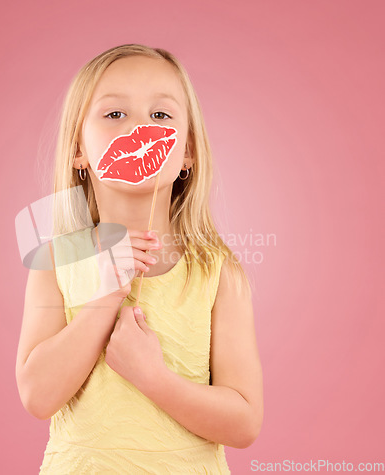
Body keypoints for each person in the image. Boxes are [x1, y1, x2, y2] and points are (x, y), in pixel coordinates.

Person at [15, 43, 263, 474]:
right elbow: (37, 396)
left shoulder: (217, 272)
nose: (139, 129)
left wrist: (153, 378)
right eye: (114, 115)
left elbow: (243, 424)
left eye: (161, 116)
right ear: (79, 152)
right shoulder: (56, 260)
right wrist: (103, 301)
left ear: (187, 153)